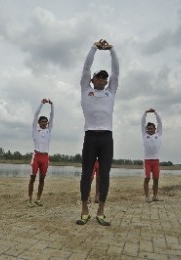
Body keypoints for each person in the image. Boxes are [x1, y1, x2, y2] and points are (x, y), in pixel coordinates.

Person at [76, 39, 119, 226]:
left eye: (104, 78)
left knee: (105, 175)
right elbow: (86, 67)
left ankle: (101, 211)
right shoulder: (86, 90)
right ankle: (85, 210)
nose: (101, 80)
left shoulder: (111, 92)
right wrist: (94, 48)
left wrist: (112, 50)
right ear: (92, 80)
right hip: (91, 136)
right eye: (98, 77)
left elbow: (116, 71)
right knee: (86, 174)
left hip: (106, 137)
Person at [28, 99, 54, 208]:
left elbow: (52, 117)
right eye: (42, 121)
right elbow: (35, 115)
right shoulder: (35, 130)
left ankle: (38, 198)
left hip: (45, 158)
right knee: (33, 178)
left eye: (46, 122)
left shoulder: (49, 130)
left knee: (42, 179)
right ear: (39, 123)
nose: (44, 123)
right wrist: (42, 104)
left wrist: (52, 105)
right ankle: (30, 199)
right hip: (36, 156)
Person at [141, 109, 163, 203]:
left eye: (151, 128)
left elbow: (160, 123)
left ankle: (155, 196)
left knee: (156, 179)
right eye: (148, 128)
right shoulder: (144, 135)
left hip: (156, 161)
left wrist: (155, 113)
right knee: (147, 178)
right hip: (147, 161)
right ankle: (146, 197)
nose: (150, 130)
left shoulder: (158, 134)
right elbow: (142, 123)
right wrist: (145, 113)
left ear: (155, 129)